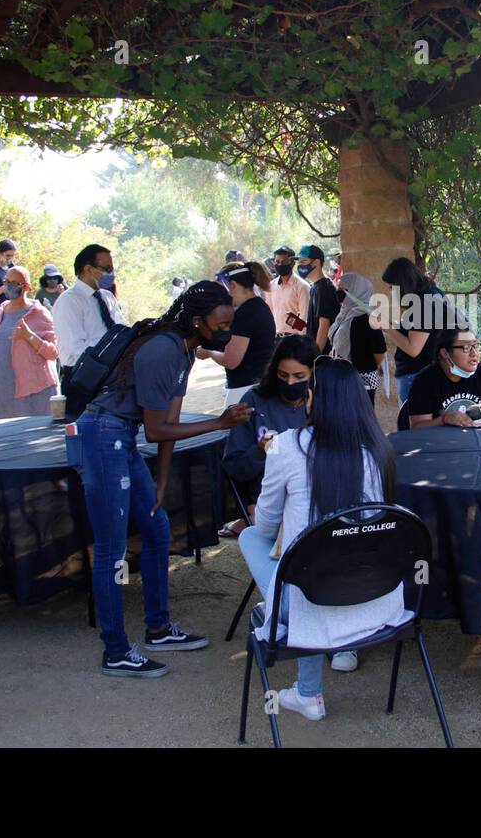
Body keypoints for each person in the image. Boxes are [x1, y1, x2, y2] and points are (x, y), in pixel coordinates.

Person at [77, 281, 251, 678]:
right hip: (103, 436)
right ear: (196, 321)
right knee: (110, 550)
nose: (225, 330)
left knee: (156, 529)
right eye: (220, 323)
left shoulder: (185, 350)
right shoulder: (162, 348)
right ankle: (116, 650)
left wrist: (161, 481)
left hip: (120, 438)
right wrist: (220, 422)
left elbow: (168, 421)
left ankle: (158, 628)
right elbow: (156, 430)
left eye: (230, 322)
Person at [239, 358, 408, 720]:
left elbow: (266, 526)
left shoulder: (286, 446)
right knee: (319, 563)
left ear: (313, 398)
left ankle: (306, 686)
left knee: (254, 538)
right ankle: (319, 668)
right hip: (380, 600)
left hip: (312, 600)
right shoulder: (381, 451)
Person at [219, 333, 318, 538]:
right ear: (274, 372)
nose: (290, 383)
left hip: (315, 493)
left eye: (299, 377)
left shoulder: (321, 401)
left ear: (314, 375)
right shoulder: (255, 401)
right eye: (283, 376)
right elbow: (234, 467)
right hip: (270, 498)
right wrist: (259, 451)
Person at [379, 257, 466, 405]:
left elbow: (413, 348)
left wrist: (385, 326)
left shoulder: (423, 303)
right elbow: (420, 332)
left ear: (402, 284)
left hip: (416, 375)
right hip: (427, 372)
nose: (390, 291)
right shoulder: (431, 294)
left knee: (415, 425)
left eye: (392, 287)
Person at [52, 244, 125, 402]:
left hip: (112, 377)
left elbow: (122, 331)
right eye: (106, 268)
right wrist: (110, 350)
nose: (111, 274)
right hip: (83, 378)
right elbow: (74, 349)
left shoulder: (107, 297)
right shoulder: (69, 301)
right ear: (88, 269)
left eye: (112, 268)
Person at [0, 266, 60, 420]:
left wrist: (29, 336)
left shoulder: (39, 313)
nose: (8, 286)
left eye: (14, 283)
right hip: (0, 393)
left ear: (26, 287)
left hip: (33, 392)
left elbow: (54, 353)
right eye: (6, 281)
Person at [199, 262, 276, 405]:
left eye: (221, 289)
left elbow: (231, 361)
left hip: (245, 389)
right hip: (255, 385)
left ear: (233, 285)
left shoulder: (246, 313)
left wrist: (208, 353)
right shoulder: (257, 306)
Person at [405, 327, 481, 429]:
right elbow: (417, 428)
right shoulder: (425, 381)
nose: (474, 353)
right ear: (445, 353)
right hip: (441, 444)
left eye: (476, 346)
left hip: (479, 443)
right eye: (466, 347)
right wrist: (444, 419)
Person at [330, 273, 387, 406]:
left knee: (360, 418)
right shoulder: (343, 313)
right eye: (338, 289)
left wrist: (368, 365)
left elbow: (379, 351)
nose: (339, 292)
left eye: (344, 290)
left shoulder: (368, 317)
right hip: (341, 375)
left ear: (358, 291)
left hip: (362, 379)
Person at [296, 245, 340, 353]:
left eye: (304, 261)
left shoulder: (324, 288)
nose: (300, 266)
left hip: (325, 354)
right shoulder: (315, 287)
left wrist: (316, 356)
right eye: (299, 262)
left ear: (316, 262)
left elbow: (324, 325)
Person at [267, 245, 310, 336]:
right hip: (276, 338)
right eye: (277, 262)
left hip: (293, 339)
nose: (280, 265)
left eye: (284, 262)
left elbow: (304, 318)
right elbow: (269, 314)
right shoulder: (271, 286)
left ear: (292, 263)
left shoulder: (302, 287)